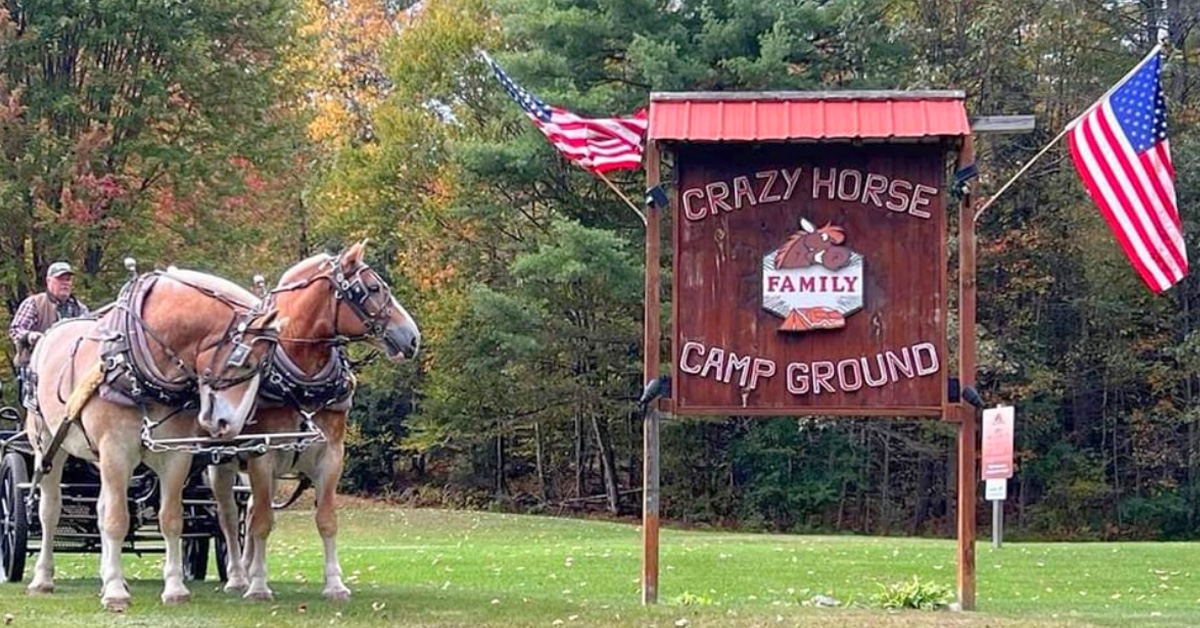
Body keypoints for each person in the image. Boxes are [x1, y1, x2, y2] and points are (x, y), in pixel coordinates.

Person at [9, 261, 90, 359]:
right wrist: (30, 336)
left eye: (68, 280)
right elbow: (15, 330)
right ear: (48, 281)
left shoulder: (80, 309)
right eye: (60, 279)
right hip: (36, 364)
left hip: (70, 364)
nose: (65, 283)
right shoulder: (34, 303)